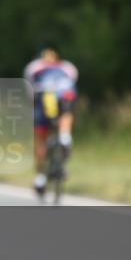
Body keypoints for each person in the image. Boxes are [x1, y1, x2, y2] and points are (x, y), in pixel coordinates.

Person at [23, 47, 78, 196]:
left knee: (40, 138)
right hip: (64, 95)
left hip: (43, 98)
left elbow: (30, 92)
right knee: (66, 111)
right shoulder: (67, 66)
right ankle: (65, 137)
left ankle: (40, 177)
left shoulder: (33, 67)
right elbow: (73, 82)